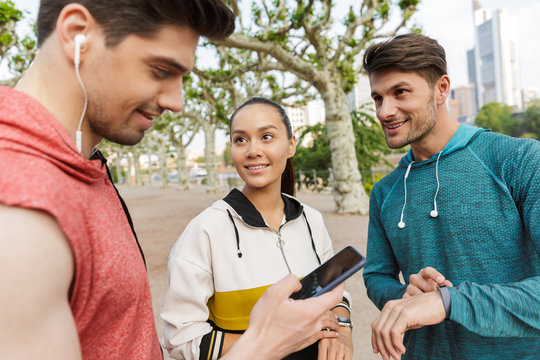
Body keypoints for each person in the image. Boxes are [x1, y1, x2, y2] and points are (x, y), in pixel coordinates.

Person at [0, 1, 344, 359]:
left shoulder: (78, 163)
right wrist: (265, 343)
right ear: (76, 34)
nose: (177, 101)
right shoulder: (21, 204)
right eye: (161, 69)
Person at [361, 33, 540, 360]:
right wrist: (407, 296)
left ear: (442, 88)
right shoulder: (385, 191)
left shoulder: (520, 160)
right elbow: (376, 275)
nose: (385, 111)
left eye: (400, 92)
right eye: (377, 98)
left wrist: (447, 301)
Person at [161, 97, 354, 360]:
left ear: (291, 145)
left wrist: (343, 329)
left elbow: (334, 290)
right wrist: (275, 342)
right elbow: (180, 339)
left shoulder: (312, 220)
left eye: (266, 136)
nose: (252, 150)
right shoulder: (205, 230)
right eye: (240, 139)